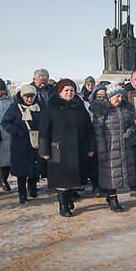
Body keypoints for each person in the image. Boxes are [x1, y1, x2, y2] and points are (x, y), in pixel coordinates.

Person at [38, 79, 94, 217]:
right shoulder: (52, 108)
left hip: (78, 149)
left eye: (72, 90)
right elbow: (44, 130)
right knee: (62, 181)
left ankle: (68, 198)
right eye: (66, 90)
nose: (69, 93)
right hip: (59, 150)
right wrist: (44, 150)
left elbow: (89, 129)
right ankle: (63, 206)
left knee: (75, 179)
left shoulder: (79, 107)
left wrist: (91, 147)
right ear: (60, 92)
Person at [91, 87, 136, 212]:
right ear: (110, 96)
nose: (120, 99)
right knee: (111, 174)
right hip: (109, 147)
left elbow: (132, 123)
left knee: (120, 173)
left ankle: (111, 196)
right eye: (117, 96)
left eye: (121, 96)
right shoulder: (102, 110)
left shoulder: (125, 109)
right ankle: (113, 198)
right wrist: (101, 150)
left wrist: (131, 130)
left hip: (124, 146)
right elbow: (98, 132)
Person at [1, 83, 44, 204]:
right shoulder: (14, 108)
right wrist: (16, 131)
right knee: (21, 171)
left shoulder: (40, 106)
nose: (29, 99)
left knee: (35, 168)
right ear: (22, 96)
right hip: (20, 144)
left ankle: (32, 188)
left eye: (32, 96)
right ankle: (22, 193)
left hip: (36, 142)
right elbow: (5, 123)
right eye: (27, 97)